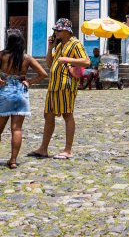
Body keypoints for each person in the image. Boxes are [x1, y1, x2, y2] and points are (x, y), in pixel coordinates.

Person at [0, 28, 47, 169]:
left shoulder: (3, 55)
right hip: (21, 92)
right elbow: (43, 74)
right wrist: (29, 82)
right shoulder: (26, 57)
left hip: (6, 90)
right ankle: (13, 160)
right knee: (17, 129)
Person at [29, 18, 89, 160]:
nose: (56, 33)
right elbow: (50, 64)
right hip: (54, 85)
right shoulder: (60, 45)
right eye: (55, 30)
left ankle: (68, 150)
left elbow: (86, 61)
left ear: (67, 31)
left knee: (67, 114)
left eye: (58, 30)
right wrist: (50, 48)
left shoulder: (75, 44)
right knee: (48, 115)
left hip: (66, 85)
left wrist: (67, 60)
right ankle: (43, 148)